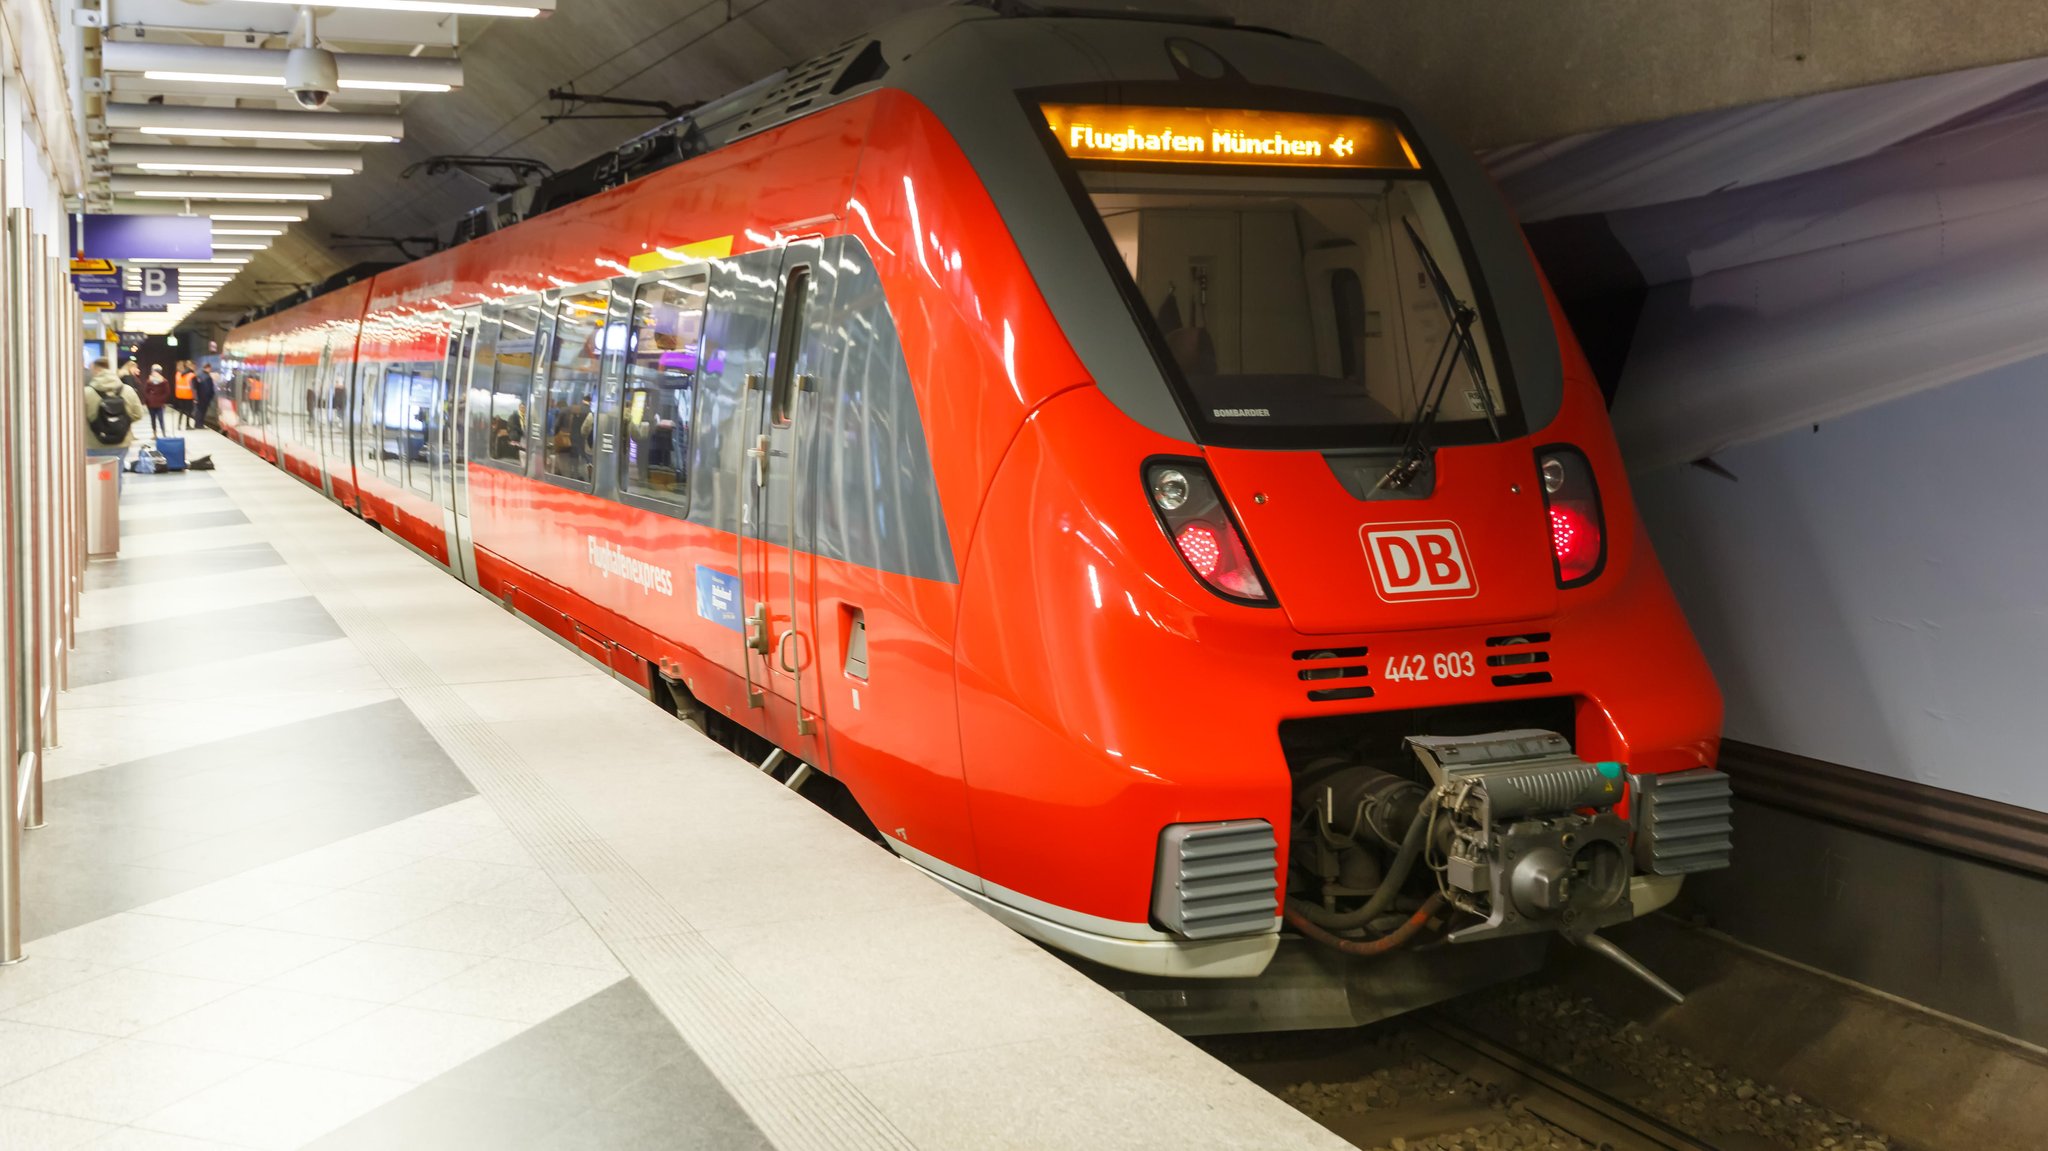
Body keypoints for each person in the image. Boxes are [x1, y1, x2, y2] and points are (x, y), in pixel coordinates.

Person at [84, 359, 146, 491]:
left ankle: (98, 504)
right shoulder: (127, 390)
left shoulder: (87, 392)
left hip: (94, 443)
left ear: (96, 370)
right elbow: (139, 414)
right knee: (116, 475)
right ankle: (112, 506)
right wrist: (123, 423)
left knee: (99, 476)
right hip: (121, 442)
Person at [142, 364, 171, 439]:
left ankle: (164, 433)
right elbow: (145, 391)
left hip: (160, 404)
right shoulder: (149, 381)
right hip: (151, 404)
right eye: (153, 371)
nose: (153, 373)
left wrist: (161, 400)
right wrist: (149, 399)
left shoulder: (164, 382)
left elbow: (167, 392)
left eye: (155, 371)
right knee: (153, 419)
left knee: (161, 419)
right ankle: (154, 434)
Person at [192, 362, 217, 430]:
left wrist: (196, 397)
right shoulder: (207, 377)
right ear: (207, 368)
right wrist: (210, 396)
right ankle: (199, 425)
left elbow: (195, 387)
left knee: (199, 411)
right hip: (205, 397)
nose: (210, 370)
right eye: (210, 368)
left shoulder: (199, 375)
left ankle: (197, 424)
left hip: (199, 396)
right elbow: (209, 389)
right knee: (202, 411)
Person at [174, 361, 196, 428]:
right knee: (189, 411)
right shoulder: (191, 375)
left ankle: (179, 425)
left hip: (180, 395)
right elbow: (193, 387)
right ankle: (187, 425)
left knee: (182, 410)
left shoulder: (178, 374)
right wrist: (195, 397)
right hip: (188, 396)